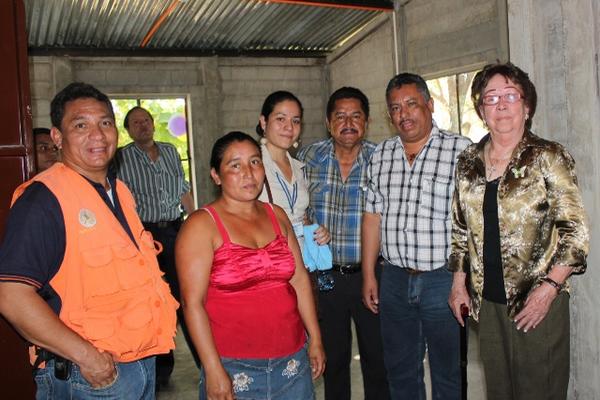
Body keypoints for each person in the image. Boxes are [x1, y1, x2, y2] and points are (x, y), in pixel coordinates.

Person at [0, 82, 178, 399]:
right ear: (58, 137)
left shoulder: (119, 192)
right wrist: (88, 358)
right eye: (81, 125)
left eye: (105, 123)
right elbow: (11, 295)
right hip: (90, 376)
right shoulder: (43, 199)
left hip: (141, 362)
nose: (97, 135)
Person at [447, 62, 589, 400]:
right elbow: (460, 228)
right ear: (482, 110)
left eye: (511, 95)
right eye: (491, 98)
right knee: (499, 391)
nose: (501, 105)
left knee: (539, 391)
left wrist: (549, 289)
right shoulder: (468, 161)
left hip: (538, 299)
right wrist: (458, 284)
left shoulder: (548, 157)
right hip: (488, 302)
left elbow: (576, 233)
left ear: (527, 106)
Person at [176, 131, 325, 399]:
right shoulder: (201, 225)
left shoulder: (276, 215)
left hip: (292, 358)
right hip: (233, 365)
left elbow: (299, 280)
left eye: (255, 162)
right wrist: (212, 368)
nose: (248, 173)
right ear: (216, 175)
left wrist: (314, 337)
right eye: (235, 165)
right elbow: (192, 304)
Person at [362, 73, 471, 399]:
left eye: (411, 104)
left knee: (448, 371)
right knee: (400, 369)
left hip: (443, 279)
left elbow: (471, 221)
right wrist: (369, 273)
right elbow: (372, 217)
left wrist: (461, 281)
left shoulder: (460, 150)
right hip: (393, 279)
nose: (403, 114)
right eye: (395, 108)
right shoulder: (380, 155)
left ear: (429, 105)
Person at [297, 87, 389, 400]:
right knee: (333, 361)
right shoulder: (309, 159)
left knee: (378, 360)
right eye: (340, 116)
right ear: (327, 121)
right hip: (326, 278)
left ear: (367, 121)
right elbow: (295, 210)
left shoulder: (382, 159)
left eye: (355, 116)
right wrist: (307, 226)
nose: (348, 123)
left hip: (371, 276)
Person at [113, 106, 197, 384]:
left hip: (176, 229)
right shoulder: (122, 157)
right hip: (144, 237)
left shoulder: (171, 151)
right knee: (155, 301)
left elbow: (183, 189)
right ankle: (162, 369)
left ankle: (204, 360)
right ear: (128, 129)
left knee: (186, 295)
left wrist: (195, 222)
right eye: (135, 123)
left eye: (146, 120)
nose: (143, 126)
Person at [256, 91, 329, 250]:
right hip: (271, 261)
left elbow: (298, 216)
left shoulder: (299, 168)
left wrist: (315, 230)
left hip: (303, 261)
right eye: (281, 119)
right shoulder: (253, 166)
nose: (289, 127)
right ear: (263, 122)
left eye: (295, 121)